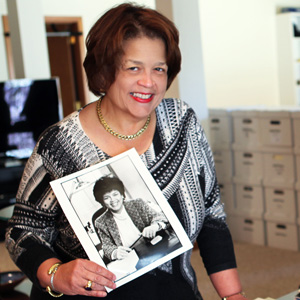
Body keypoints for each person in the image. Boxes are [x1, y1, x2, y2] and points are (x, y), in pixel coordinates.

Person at [5, 3, 250, 300]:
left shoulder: (181, 123)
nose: (148, 82)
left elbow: (211, 214)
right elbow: (22, 231)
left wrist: (232, 295)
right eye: (133, 68)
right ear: (105, 70)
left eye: (158, 69)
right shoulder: (59, 145)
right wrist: (56, 274)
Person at [93, 176, 169, 262]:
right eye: (107, 198)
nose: (112, 200)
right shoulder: (100, 222)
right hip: (130, 258)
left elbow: (160, 217)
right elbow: (106, 247)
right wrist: (115, 252)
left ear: (122, 194)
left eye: (115, 194)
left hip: (152, 248)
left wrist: (154, 226)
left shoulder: (137, 204)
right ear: (102, 202)